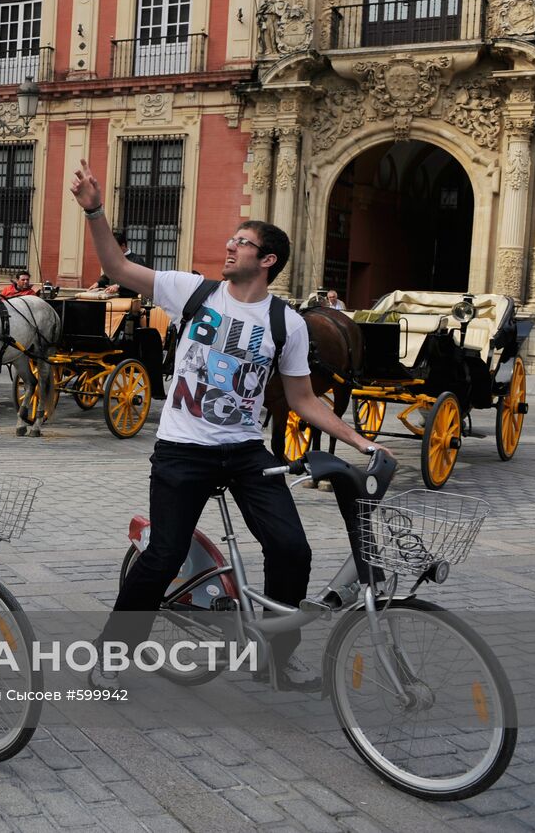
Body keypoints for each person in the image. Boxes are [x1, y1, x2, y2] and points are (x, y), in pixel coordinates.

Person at [67, 158, 391, 691]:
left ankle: (277, 657)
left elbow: (304, 399)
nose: (229, 246)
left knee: (292, 550)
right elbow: (120, 268)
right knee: (163, 555)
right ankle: (113, 652)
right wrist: (96, 211)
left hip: (245, 452)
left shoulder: (286, 323)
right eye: (232, 239)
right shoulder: (192, 292)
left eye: (241, 242)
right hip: (181, 450)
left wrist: (358, 438)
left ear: (266, 260)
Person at [90, 230, 149, 298]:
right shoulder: (113, 259)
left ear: (123, 245)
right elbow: (108, 275)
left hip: (131, 299)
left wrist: (119, 286)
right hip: (114, 298)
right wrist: (98, 283)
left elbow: (138, 282)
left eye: (114, 248)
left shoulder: (137, 260)